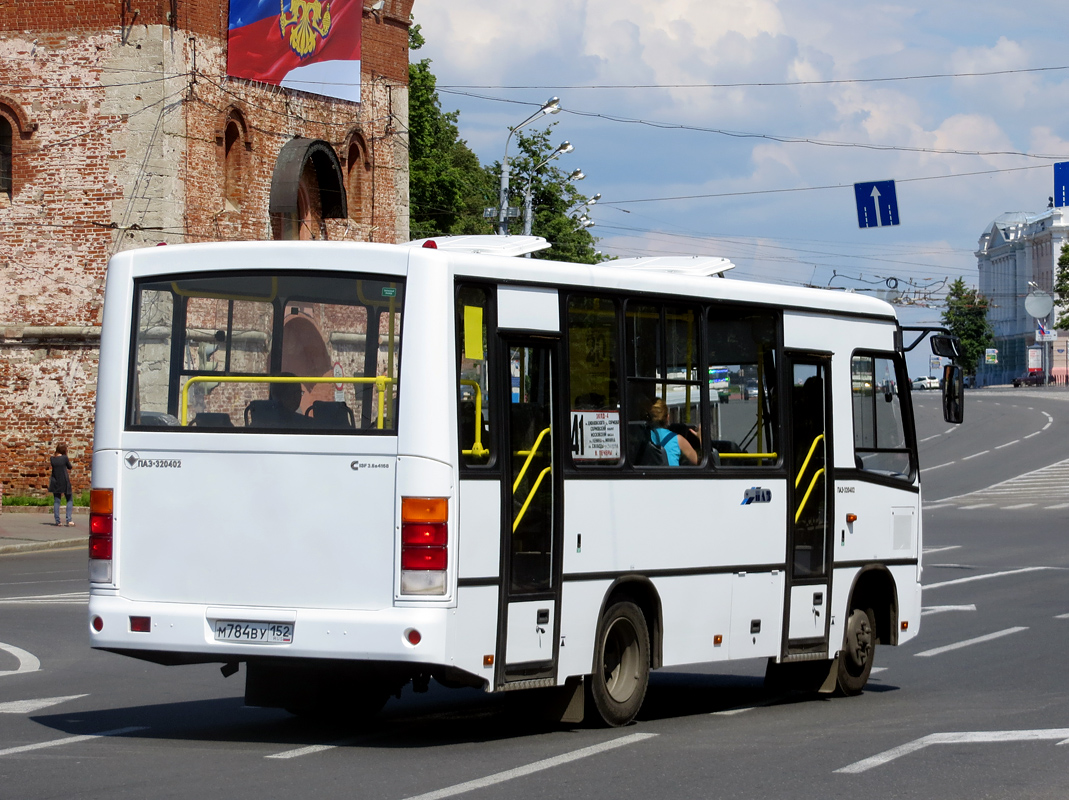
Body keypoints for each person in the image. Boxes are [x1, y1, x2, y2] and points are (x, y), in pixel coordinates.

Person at [649, 398, 698, 466]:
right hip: (671, 476)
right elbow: (698, 461)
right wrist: (701, 438)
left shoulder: (641, 437)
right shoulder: (677, 439)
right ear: (667, 418)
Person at [49, 443, 74, 527]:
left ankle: (57, 521)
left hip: (55, 481)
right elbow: (69, 467)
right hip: (64, 481)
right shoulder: (64, 458)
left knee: (57, 501)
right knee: (69, 499)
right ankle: (69, 520)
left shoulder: (52, 459)